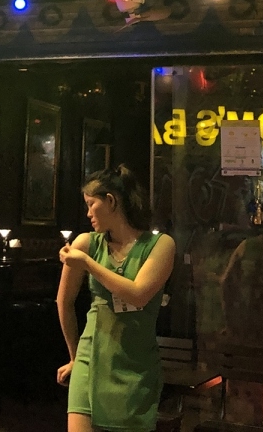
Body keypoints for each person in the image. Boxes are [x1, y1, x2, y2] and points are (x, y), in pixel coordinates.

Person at [56, 165, 176, 432]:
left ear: (110, 201)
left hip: (135, 364)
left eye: (91, 204)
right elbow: (63, 301)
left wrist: (88, 264)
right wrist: (76, 356)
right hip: (91, 357)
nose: (87, 214)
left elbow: (138, 294)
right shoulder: (86, 243)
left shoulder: (160, 245)